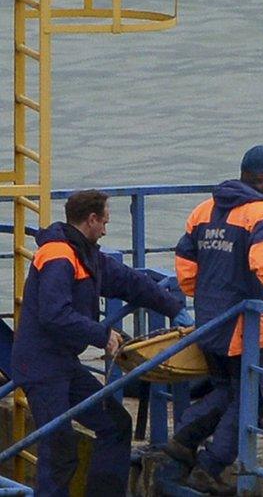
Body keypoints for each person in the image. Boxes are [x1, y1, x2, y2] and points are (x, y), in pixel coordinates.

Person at [10, 189, 189, 497]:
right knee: (59, 448)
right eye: (104, 221)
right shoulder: (58, 255)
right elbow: (54, 315)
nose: (106, 228)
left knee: (116, 425)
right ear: (91, 220)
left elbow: (130, 282)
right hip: (40, 365)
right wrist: (101, 334)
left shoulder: (87, 253)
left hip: (64, 363)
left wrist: (174, 308)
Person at [166, 145, 263, 495]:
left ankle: (182, 440)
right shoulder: (261, 212)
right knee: (250, 399)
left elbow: (185, 264)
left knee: (224, 389)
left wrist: (204, 295)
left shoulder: (204, 209)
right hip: (245, 325)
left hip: (211, 320)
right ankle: (210, 466)